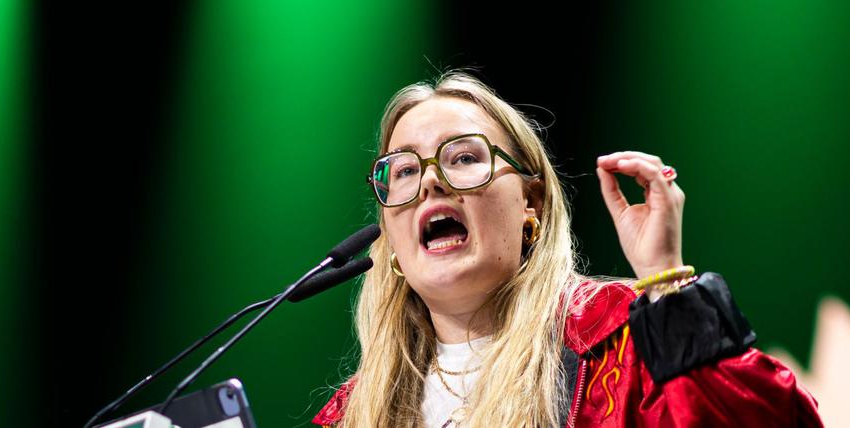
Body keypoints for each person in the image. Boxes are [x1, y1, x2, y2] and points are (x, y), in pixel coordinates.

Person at [311, 71, 822, 427]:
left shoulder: (625, 340)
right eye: (403, 170)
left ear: (531, 202)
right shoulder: (351, 413)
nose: (430, 184)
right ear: (391, 235)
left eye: (464, 157)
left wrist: (667, 283)